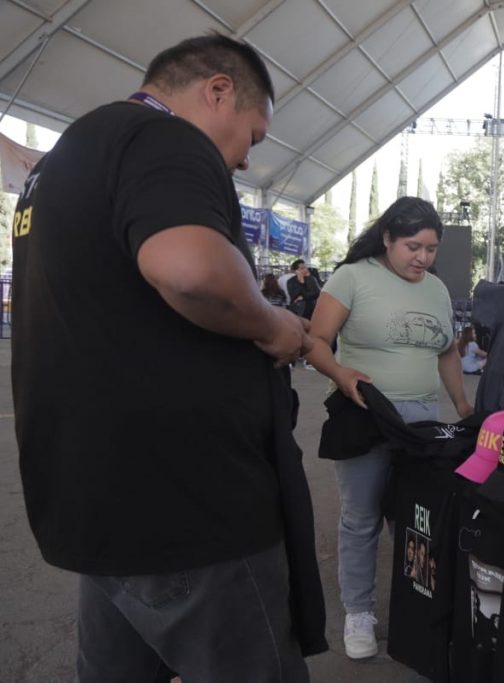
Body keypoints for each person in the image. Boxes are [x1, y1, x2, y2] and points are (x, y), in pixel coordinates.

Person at [11, 34, 315, 682]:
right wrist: (274, 325)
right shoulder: (163, 138)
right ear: (218, 91)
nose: (245, 159)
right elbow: (190, 270)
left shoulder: (68, 158)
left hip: (99, 504)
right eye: (252, 136)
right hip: (186, 509)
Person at [305, 195, 473, 659]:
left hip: (421, 421)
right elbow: (315, 341)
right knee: (361, 518)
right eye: (413, 247)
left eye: (431, 249)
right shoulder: (352, 277)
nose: (423, 258)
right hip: (364, 414)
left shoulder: (436, 289)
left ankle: (417, 610)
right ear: (387, 239)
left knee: (416, 518)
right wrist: (341, 374)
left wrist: (462, 404)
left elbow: (446, 351)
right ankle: (359, 613)